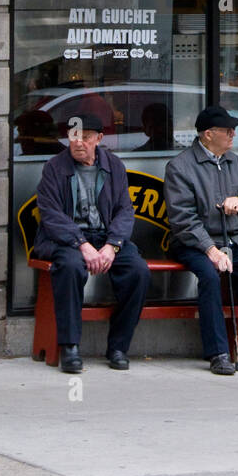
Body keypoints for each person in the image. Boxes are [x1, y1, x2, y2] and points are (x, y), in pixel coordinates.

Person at [164, 105, 238, 376]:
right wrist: (211, 250)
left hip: (235, 240)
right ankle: (218, 353)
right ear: (207, 134)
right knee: (209, 277)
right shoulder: (180, 167)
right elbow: (183, 220)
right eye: (227, 131)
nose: (232, 135)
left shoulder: (237, 163)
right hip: (194, 243)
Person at [31, 112, 150, 374]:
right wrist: (82, 244)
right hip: (66, 240)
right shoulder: (54, 167)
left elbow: (124, 211)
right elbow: (50, 215)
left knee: (138, 272)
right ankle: (70, 346)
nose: (78, 143)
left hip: (105, 237)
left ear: (99, 139)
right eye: (74, 137)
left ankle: (118, 347)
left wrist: (112, 245)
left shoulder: (114, 165)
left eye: (85, 137)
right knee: (71, 267)